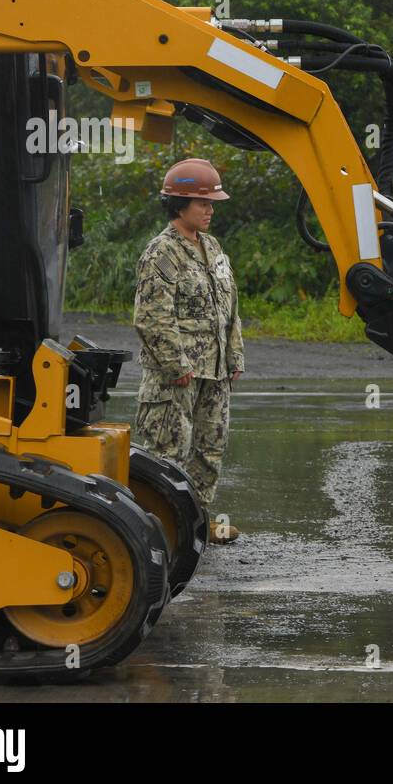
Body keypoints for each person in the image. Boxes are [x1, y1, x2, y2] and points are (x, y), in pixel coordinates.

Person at [133, 158, 245, 544]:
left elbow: (228, 308)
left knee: (209, 452)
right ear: (180, 204)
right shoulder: (161, 252)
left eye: (213, 203)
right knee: (166, 453)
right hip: (176, 376)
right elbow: (151, 318)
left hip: (214, 374)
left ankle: (197, 525)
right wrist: (177, 365)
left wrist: (234, 358)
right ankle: (157, 527)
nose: (211, 210)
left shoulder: (212, 247)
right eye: (204, 204)